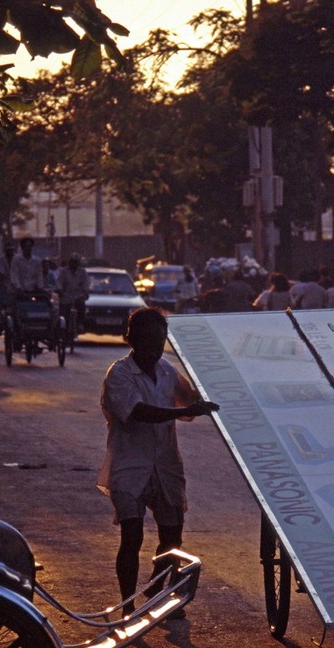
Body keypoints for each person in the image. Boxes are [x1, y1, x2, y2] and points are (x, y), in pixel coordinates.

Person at [96, 307, 219, 617]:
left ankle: (159, 587)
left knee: (172, 533)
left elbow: (191, 398)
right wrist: (179, 413)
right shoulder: (119, 374)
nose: (155, 346)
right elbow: (139, 412)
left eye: (160, 339)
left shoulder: (167, 371)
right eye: (148, 339)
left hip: (165, 462)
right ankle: (128, 605)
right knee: (132, 535)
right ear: (131, 340)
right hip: (129, 464)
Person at [57, 253, 89, 336]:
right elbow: (59, 282)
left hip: (78, 295)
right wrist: (60, 290)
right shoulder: (63, 271)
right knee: (63, 311)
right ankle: (62, 327)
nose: (74, 264)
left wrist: (85, 291)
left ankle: (80, 324)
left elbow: (86, 283)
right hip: (66, 295)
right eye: (72, 262)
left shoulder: (82, 272)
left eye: (76, 262)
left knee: (81, 307)